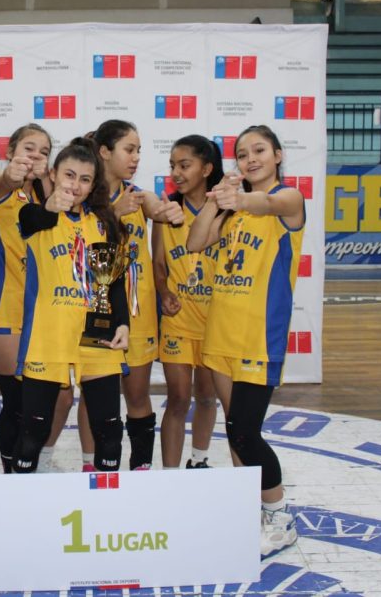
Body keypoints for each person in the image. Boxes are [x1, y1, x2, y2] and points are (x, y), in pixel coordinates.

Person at [186, 124, 305, 557]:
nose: (251, 158)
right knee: (235, 434)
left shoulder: (288, 200)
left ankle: (279, 517)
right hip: (220, 334)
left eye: (259, 150)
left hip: (259, 338)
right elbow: (197, 241)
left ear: (277, 154)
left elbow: (270, 201)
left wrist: (242, 198)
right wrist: (218, 201)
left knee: (244, 432)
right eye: (242, 153)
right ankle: (248, 510)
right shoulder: (232, 210)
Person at [12, 138, 130, 474]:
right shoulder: (37, 216)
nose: (75, 185)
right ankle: (25, 501)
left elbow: (113, 281)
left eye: (84, 179)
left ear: (94, 185)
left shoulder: (102, 223)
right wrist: (52, 204)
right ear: (53, 174)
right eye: (68, 175)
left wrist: (122, 323)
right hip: (48, 336)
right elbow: (36, 217)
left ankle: (106, 503)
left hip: (98, 334)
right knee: (34, 428)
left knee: (109, 428)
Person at [90, 120, 184, 471]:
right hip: (97, 308)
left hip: (138, 310)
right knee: (95, 398)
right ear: (104, 151)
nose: (136, 157)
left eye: (139, 150)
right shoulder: (86, 195)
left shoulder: (141, 195)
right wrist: (115, 212)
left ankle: (141, 468)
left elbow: (160, 210)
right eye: (129, 149)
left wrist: (169, 211)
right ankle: (94, 465)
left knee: (138, 395)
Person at [0, 123, 52, 473]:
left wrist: (49, 180)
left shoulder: (47, 197)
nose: (35, 156)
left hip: (42, 315)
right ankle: (12, 475)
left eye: (44, 151)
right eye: (28, 148)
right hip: (3, 312)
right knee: (19, 403)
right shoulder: (0, 189)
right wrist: (11, 174)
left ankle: (27, 471)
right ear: (10, 152)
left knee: (37, 406)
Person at [151, 135, 227, 469]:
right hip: (178, 321)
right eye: (172, 166)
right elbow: (158, 264)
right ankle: (169, 474)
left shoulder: (228, 212)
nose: (176, 173)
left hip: (214, 322)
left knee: (207, 397)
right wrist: (165, 293)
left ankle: (199, 460)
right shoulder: (166, 212)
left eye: (184, 165)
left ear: (207, 168)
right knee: (178, 397)